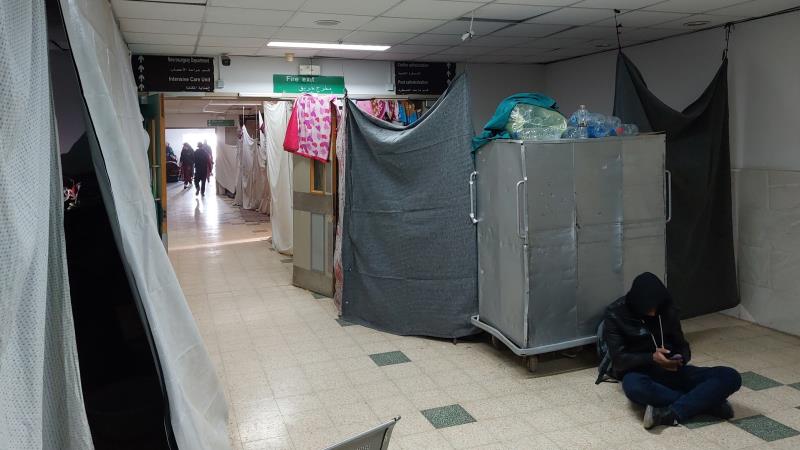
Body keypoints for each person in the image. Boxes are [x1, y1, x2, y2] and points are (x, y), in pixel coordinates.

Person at [599, 272, 742, 429]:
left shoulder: (667, 309)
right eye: (648, 308)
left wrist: (679, 358)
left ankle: (671, 413)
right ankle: (706, 403)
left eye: (655, 307)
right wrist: (652, 358)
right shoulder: (615, 314)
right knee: (634, 388)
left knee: (730, 376)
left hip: (672, 370)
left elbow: (682, 345)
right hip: (639, 372)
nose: (653, 312)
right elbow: (619, 360)